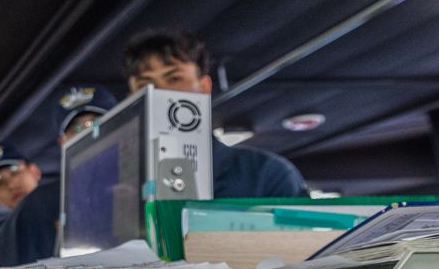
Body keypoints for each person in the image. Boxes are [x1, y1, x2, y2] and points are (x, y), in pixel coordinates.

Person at [122, 29, 309, 198]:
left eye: (174, 78)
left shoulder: (265, 175)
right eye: (144, 84)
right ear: (131, 98)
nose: (159, 92)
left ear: (204, 87)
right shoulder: (117, 184)